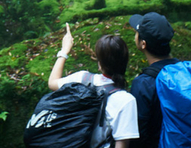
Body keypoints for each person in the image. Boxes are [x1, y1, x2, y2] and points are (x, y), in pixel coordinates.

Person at [48, 23, 140, 148]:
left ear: (100, 64)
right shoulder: (126, 101)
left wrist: (64, 50)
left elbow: (52, 82)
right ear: (125, 62)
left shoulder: (82, 78)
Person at [128, 12, 179, 148]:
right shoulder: (188, 72)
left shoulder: (144, 84)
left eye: (137, 32)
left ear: (143, 44)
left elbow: (137, 136)